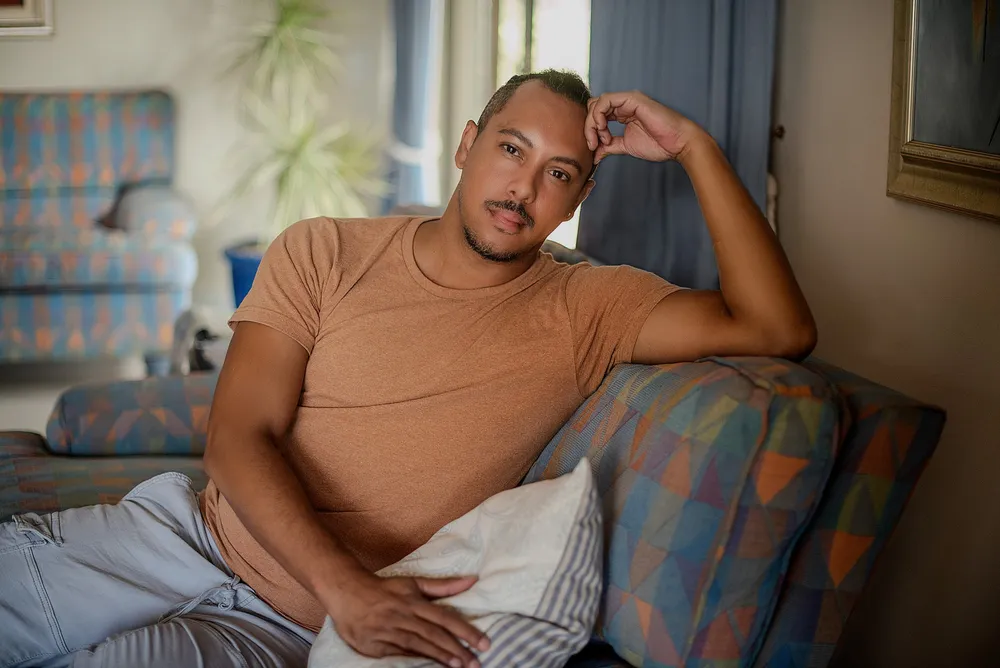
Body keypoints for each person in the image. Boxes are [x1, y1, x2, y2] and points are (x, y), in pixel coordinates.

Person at [0, 70, 815, 668]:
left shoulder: (592, 309)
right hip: (183, 537)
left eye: (558, 173)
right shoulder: (323, 249)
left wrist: (695, 148)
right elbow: (237, 436)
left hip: (281, 630)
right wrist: (347, 587)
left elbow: (778, 327)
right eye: (511, 148)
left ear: (579, 198)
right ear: (467, 145)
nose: (523, 187)